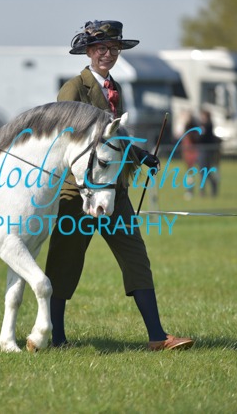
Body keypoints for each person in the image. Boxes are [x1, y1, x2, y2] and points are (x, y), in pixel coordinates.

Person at [45, 20, 193, 351]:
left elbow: (116, 138)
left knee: (136, 257)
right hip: (79, 193)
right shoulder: (73, 89)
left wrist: (140, 155)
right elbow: (66, 140)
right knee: (65, 263)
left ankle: (157, 337)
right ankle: (57, 338)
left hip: (114, 190)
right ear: (88, 51)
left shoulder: (116, 88)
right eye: (101, 48)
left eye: (113, 49)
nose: (108, 54)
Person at [197, 109, 221, 197]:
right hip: (202, 150)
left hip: (206, 151)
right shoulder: (203, 125)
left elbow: (201, 138)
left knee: (205, 171)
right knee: (203, 172)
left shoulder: (207, 126)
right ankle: (203, 190)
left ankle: (207, 189)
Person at [180, 111, 200, 200]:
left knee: (192, 174)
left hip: (192, 154)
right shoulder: (190, 132)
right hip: (189, 153)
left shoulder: (191, 133)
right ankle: (190, 191)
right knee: (190, 174)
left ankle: (191, 191)